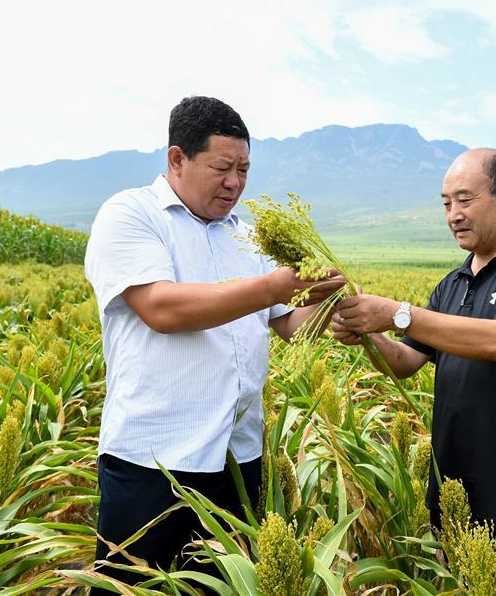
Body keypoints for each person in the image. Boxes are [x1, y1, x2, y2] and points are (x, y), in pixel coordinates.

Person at [84, 96, 343, 589]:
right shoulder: (131, 214)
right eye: (222, 167)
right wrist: (274, 287)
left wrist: (332, 304)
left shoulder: (247, 237)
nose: (235, 183)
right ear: (176, 159)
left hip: (235, 459)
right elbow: (162, 309)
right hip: (153, 462)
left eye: (244, 169)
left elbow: (290, 325)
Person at [332, 148, 496, 595]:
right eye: (446, 204)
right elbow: (405, 363)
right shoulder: (453, 283)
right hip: (455, 495)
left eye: (464, 200)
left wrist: (397, 313)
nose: (453, 215)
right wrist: (366, 332)